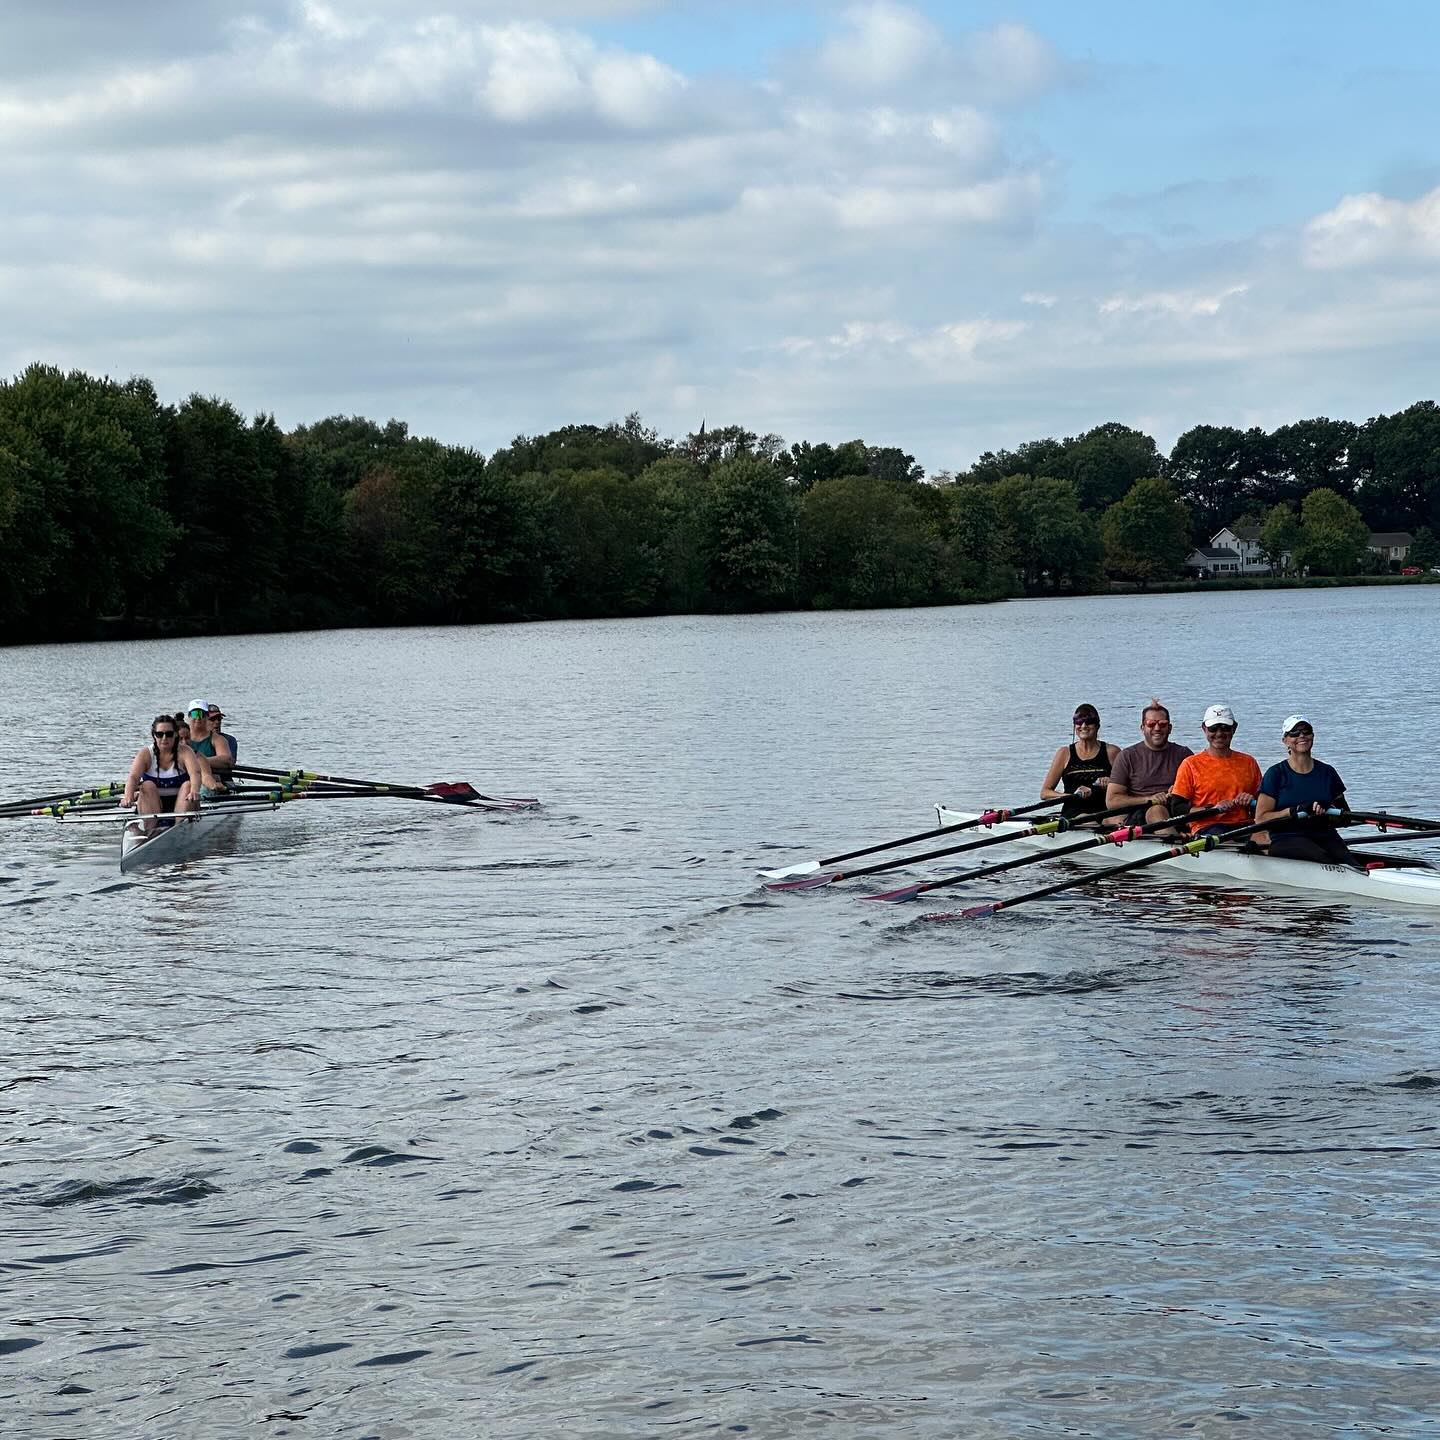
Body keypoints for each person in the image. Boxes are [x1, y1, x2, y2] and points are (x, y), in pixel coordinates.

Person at [1254, 715, 1358, 865]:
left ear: (1312, 736)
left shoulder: (1327, 772)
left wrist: (1329, 808)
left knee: (1355, 867)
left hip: (1324, 836)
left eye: (1306, 731)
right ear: (1285, 740)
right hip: (1287, 838)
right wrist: (1294, 810)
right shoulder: (1275, 774)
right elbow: (1261, 818)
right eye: (1294, 733)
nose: (1301, 735)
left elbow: (1345, 817)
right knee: (1324, 860)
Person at [1170, 704, 1262, 836]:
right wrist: (1212, 809)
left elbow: (1262, 804)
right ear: (1204, 729)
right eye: (1213, 729)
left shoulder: (1249, 762)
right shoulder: (1190, 764)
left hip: (1244, 824)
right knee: (1226, 839)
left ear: (1234, 728)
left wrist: (1250, 800)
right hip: (1207, 826)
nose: (1219, 734)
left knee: (1266, 838)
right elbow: (1177, 808)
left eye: (1225, 728)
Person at [1105, 698, 1194, 827]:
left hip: (1177, 810)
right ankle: (1173, 836)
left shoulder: (1184, 754)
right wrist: (1149, 799)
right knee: (1157, 810)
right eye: (1151, 724)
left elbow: (1200, 790)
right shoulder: (1127, 756)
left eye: (1162, 724)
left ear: (1170, 728)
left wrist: (1179, 790)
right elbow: (1112, 801)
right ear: (1142, 728)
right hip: (1141, 814)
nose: (1157, 728)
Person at [122, 715, 204, 831]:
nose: (164, 738)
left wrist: (194, 791)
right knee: (147, 785)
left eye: (169, 734)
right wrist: (128, 796)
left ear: (175, 734)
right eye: (160, 734)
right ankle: (150, 831)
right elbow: (133, 777)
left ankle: (180, 828)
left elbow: (195, 773)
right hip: (152, 804)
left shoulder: (186, 752)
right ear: (154, 735)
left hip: (183, 802)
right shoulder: (146, 754)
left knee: (188, 785)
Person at [1041, 703, 1120, 820]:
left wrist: (1112, 783)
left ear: (1097, 725)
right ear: (1074, 726)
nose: (1083, 726)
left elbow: (1128, 786)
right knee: (1086, 818)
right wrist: (1072, 796)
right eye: (1079, 722)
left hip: (1105, 812)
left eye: (1089, 722)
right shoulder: (1064, 753)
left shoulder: (1112, 752)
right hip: (1074, 813)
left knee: (1119, 820)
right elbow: (1045, 793)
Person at [181, 699, 230, 793]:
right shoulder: (180, 736)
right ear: (189, 716)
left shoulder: (217, 739)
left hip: (209, 779)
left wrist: (197, 761)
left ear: (207, 717)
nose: (198, 718)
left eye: (202, 714)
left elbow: (226, 760)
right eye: (195, 714)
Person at [205, 702, 238, 774]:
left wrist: (200, 762)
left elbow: (230, 763)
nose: (217, 722)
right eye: (212, 719)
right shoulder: (192, 739)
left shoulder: (230, 740)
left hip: (224, 777)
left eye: (219, 719)